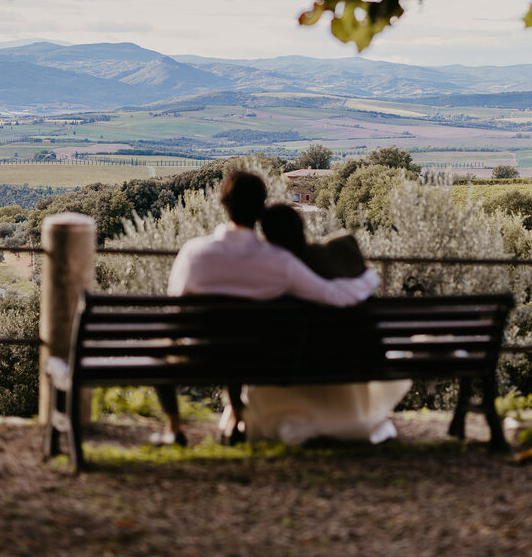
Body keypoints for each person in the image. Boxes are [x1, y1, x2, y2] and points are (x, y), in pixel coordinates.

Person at [154, 171, 379, 445]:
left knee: (167, 347)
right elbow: (332, 295)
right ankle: (237, 417)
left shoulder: (193, 254)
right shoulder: (279, 262)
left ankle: (173, 427)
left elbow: (175, 307)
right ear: (261, 207)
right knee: (237, 341)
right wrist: (369, 277)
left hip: (202, 355)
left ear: (224, 204)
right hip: (260, 356)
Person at [251, 203, 411, 446]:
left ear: (268, 237)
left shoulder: (277, 270)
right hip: (352, 362)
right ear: (301, 227)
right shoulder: (336, 258)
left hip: (295, 365)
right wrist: (369, 277)